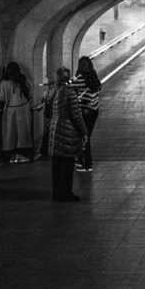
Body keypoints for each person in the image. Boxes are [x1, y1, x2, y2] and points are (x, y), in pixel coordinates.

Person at [48, 67, 86, 202]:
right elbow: (76, 115)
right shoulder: (69, 92)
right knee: (67, 164)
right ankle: (66, 193)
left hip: (54, 128)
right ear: (68, 77)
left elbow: (48, 111)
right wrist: (83, 131)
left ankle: (57, 193)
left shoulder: (53, 91)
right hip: (67, 130)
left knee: (56, 165)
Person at [0, 61, 33, 164]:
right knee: (23, 133)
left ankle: (10, 155)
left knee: (9, 133)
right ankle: (23, 154)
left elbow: (2, 98)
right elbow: (30, 92)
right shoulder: (23, 80)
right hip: (23, 108)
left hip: (10, 109)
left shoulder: (4, 82)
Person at [72, 56, 101, 172]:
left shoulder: (80, 78)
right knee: (86, 136)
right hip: (94, 110)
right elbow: (98, 89)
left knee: (83, 136)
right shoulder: (94, 77)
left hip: (84, 111)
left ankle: (85, 163)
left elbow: (70, 88)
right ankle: (83, 161)